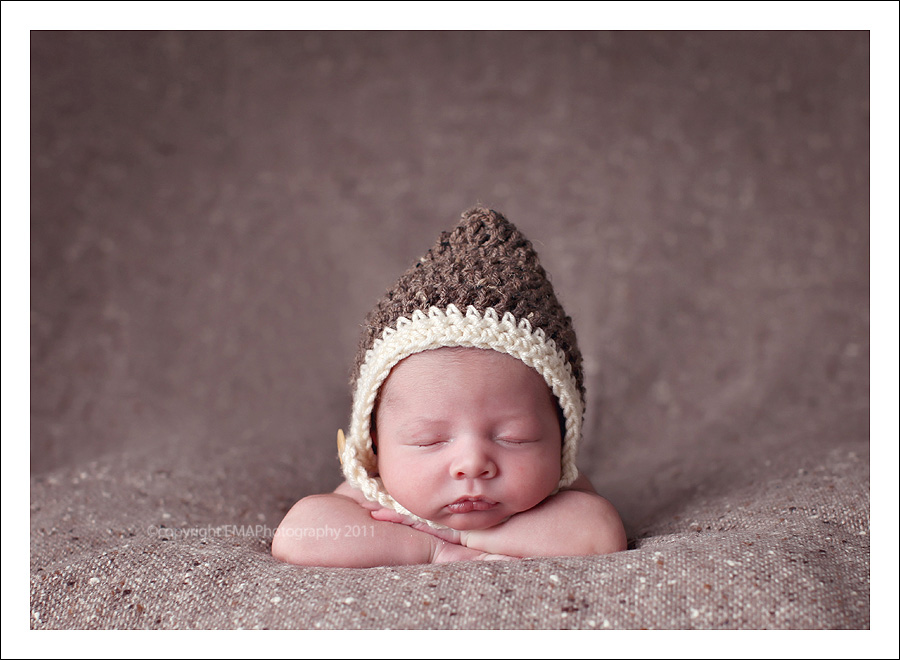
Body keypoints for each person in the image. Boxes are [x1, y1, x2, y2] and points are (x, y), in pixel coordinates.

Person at [272, 207, 626, 566]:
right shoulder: (374, 494)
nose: (472, 464)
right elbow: (299, 537)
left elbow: (599, 535)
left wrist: (461, 535)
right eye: (430, 440)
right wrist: (434, 548)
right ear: (374, 445)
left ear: (562, 435)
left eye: (514, 437)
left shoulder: (559, 495)